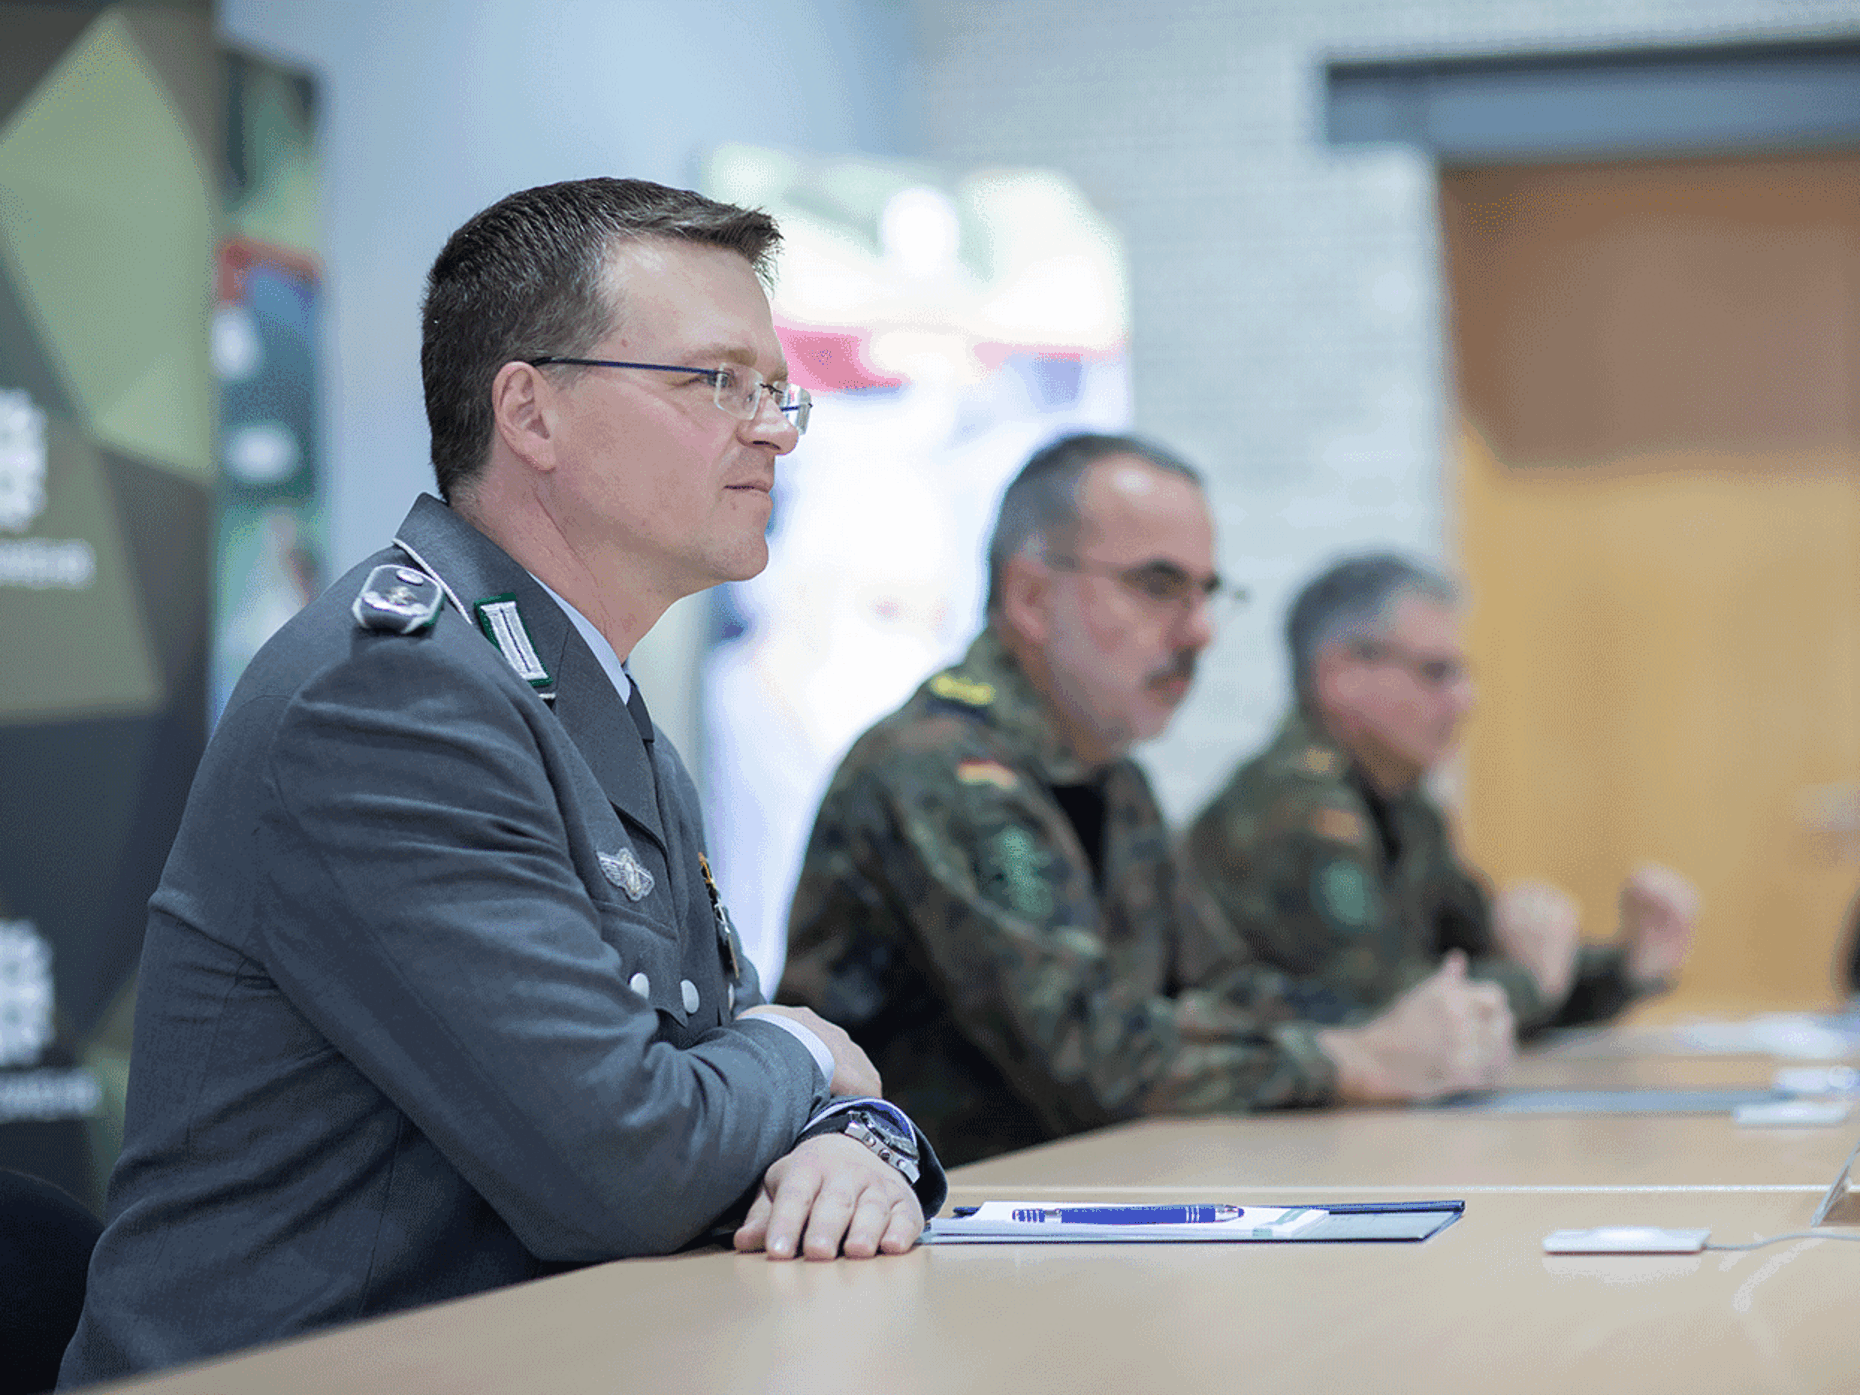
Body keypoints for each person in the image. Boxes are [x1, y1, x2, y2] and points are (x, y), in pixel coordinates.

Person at [61, 179, 944, 1387]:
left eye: (775, 389)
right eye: (717, 382)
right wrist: (800, 1055)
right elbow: (626, 1166)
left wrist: (855, 1134)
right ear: (530, 412)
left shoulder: (581, 695)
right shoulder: (392, 701)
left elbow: (703, 1062)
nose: (778, 428)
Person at [779, 434, 1514, 1167]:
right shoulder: (941, 769)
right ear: (1032, 597)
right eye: (1160, 586)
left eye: (1207, 593)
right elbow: (1094, 1061)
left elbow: (1226, 986)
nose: (1200, 630)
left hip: (1068, 1209)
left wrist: (1407, 1028)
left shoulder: (1110, 775)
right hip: (904, 1230)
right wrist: (1352, 1058)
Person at [1184, 552, 1698, 1032]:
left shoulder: (1403, 805)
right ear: (1341, 677)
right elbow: (1378, 1008)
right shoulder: (1295, 806)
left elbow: (1472, 958)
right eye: (1437, 672)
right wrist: (1529, 983)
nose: (1465, 700)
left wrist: (1626, 969)